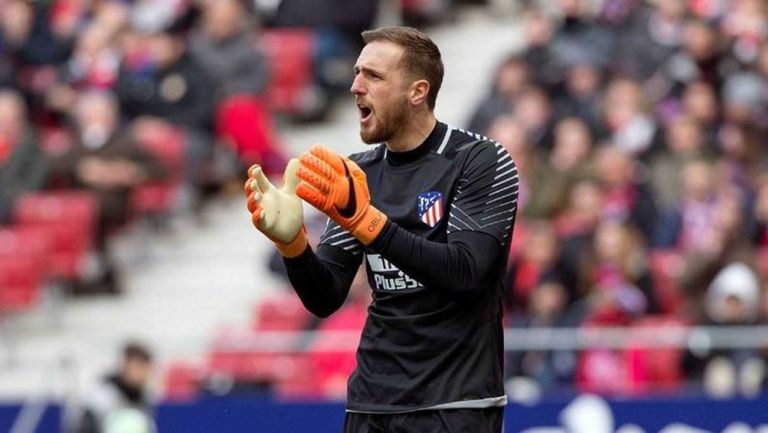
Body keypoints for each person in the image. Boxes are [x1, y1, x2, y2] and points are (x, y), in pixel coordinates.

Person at [244, 26, 518, 432]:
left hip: (456, 405)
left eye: (373, 76)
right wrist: (294, 245)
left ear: (417, 92)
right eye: (357, 72)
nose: (355, 86)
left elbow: (467, 274)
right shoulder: (359, 172)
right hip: (371, 405)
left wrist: (368, 223)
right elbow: (326, 296)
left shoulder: (479, 160)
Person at [73, 342, 156, 433]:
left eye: (145, 368)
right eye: (138, 366)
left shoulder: (146, 399)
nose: (142, 374)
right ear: (125, 366)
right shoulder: (100, 398)